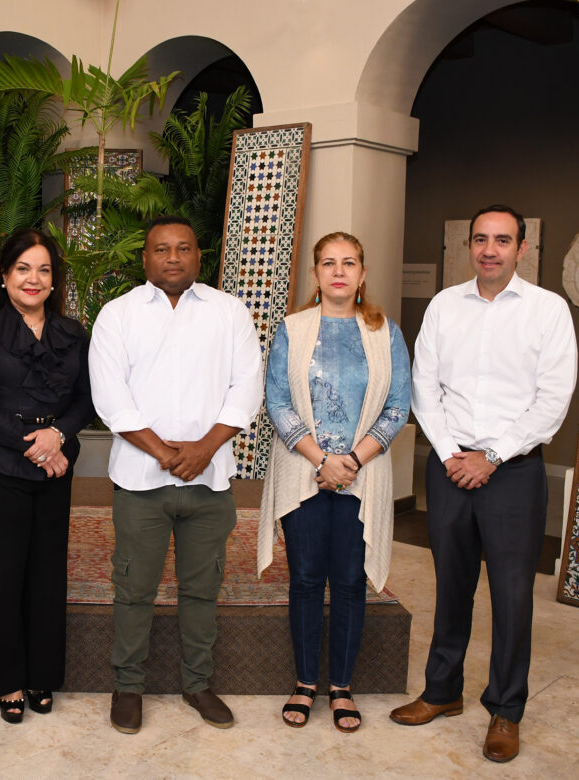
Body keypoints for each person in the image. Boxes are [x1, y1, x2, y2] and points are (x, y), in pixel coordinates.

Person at [391, 205, 577, 763]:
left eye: (502, 240)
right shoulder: (446, 306)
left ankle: (505, 708)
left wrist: (490, 456)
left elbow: (553, 399)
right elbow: (424, 385)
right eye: (480, 239)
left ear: (521, 248)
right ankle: (443, 692)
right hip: (450, 469)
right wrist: (452, 455)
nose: (489, 249)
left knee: (513, 595)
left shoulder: (547, 311)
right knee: (450, 584)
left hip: (513, 472)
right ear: (470, 246)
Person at [89, 215, 263, 734]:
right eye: (161, 249)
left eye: (183, 248)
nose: (172, 257)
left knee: (202, 590)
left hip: (209, 482)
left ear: (198, 257)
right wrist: (166, 454)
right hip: (140, 483)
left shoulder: (229, 312)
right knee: (133, 589)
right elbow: (109, 397)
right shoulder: (117, 315)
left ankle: (198, 684)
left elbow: (247, 386)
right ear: (144, 259)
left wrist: (205, 448)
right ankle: (127, 687)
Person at [257, 232, 410, 732]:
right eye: (328, 263)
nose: (338, 271)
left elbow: (397, 406)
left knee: (348, 581)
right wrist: (322, 459)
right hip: (303, 474)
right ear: (316, 274)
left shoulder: (386, 332)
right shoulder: (292, 329)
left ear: (363, 274)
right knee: (304, 580)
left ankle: (341, 687)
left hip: (361, 479)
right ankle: (305, 683)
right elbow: (276, 401)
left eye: (349, 263)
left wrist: (351, 461)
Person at [0, 228, 93, 723]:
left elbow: (85, 399)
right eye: (23, 269)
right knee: (1, 576)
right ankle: (5, 679)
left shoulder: (73, 333)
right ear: (4, 276)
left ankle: (41, 673)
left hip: (57, 467)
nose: (33, 279)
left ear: (55, 281)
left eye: (43, 270)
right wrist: (35, 445)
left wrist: (58, 436)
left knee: (45, 574)